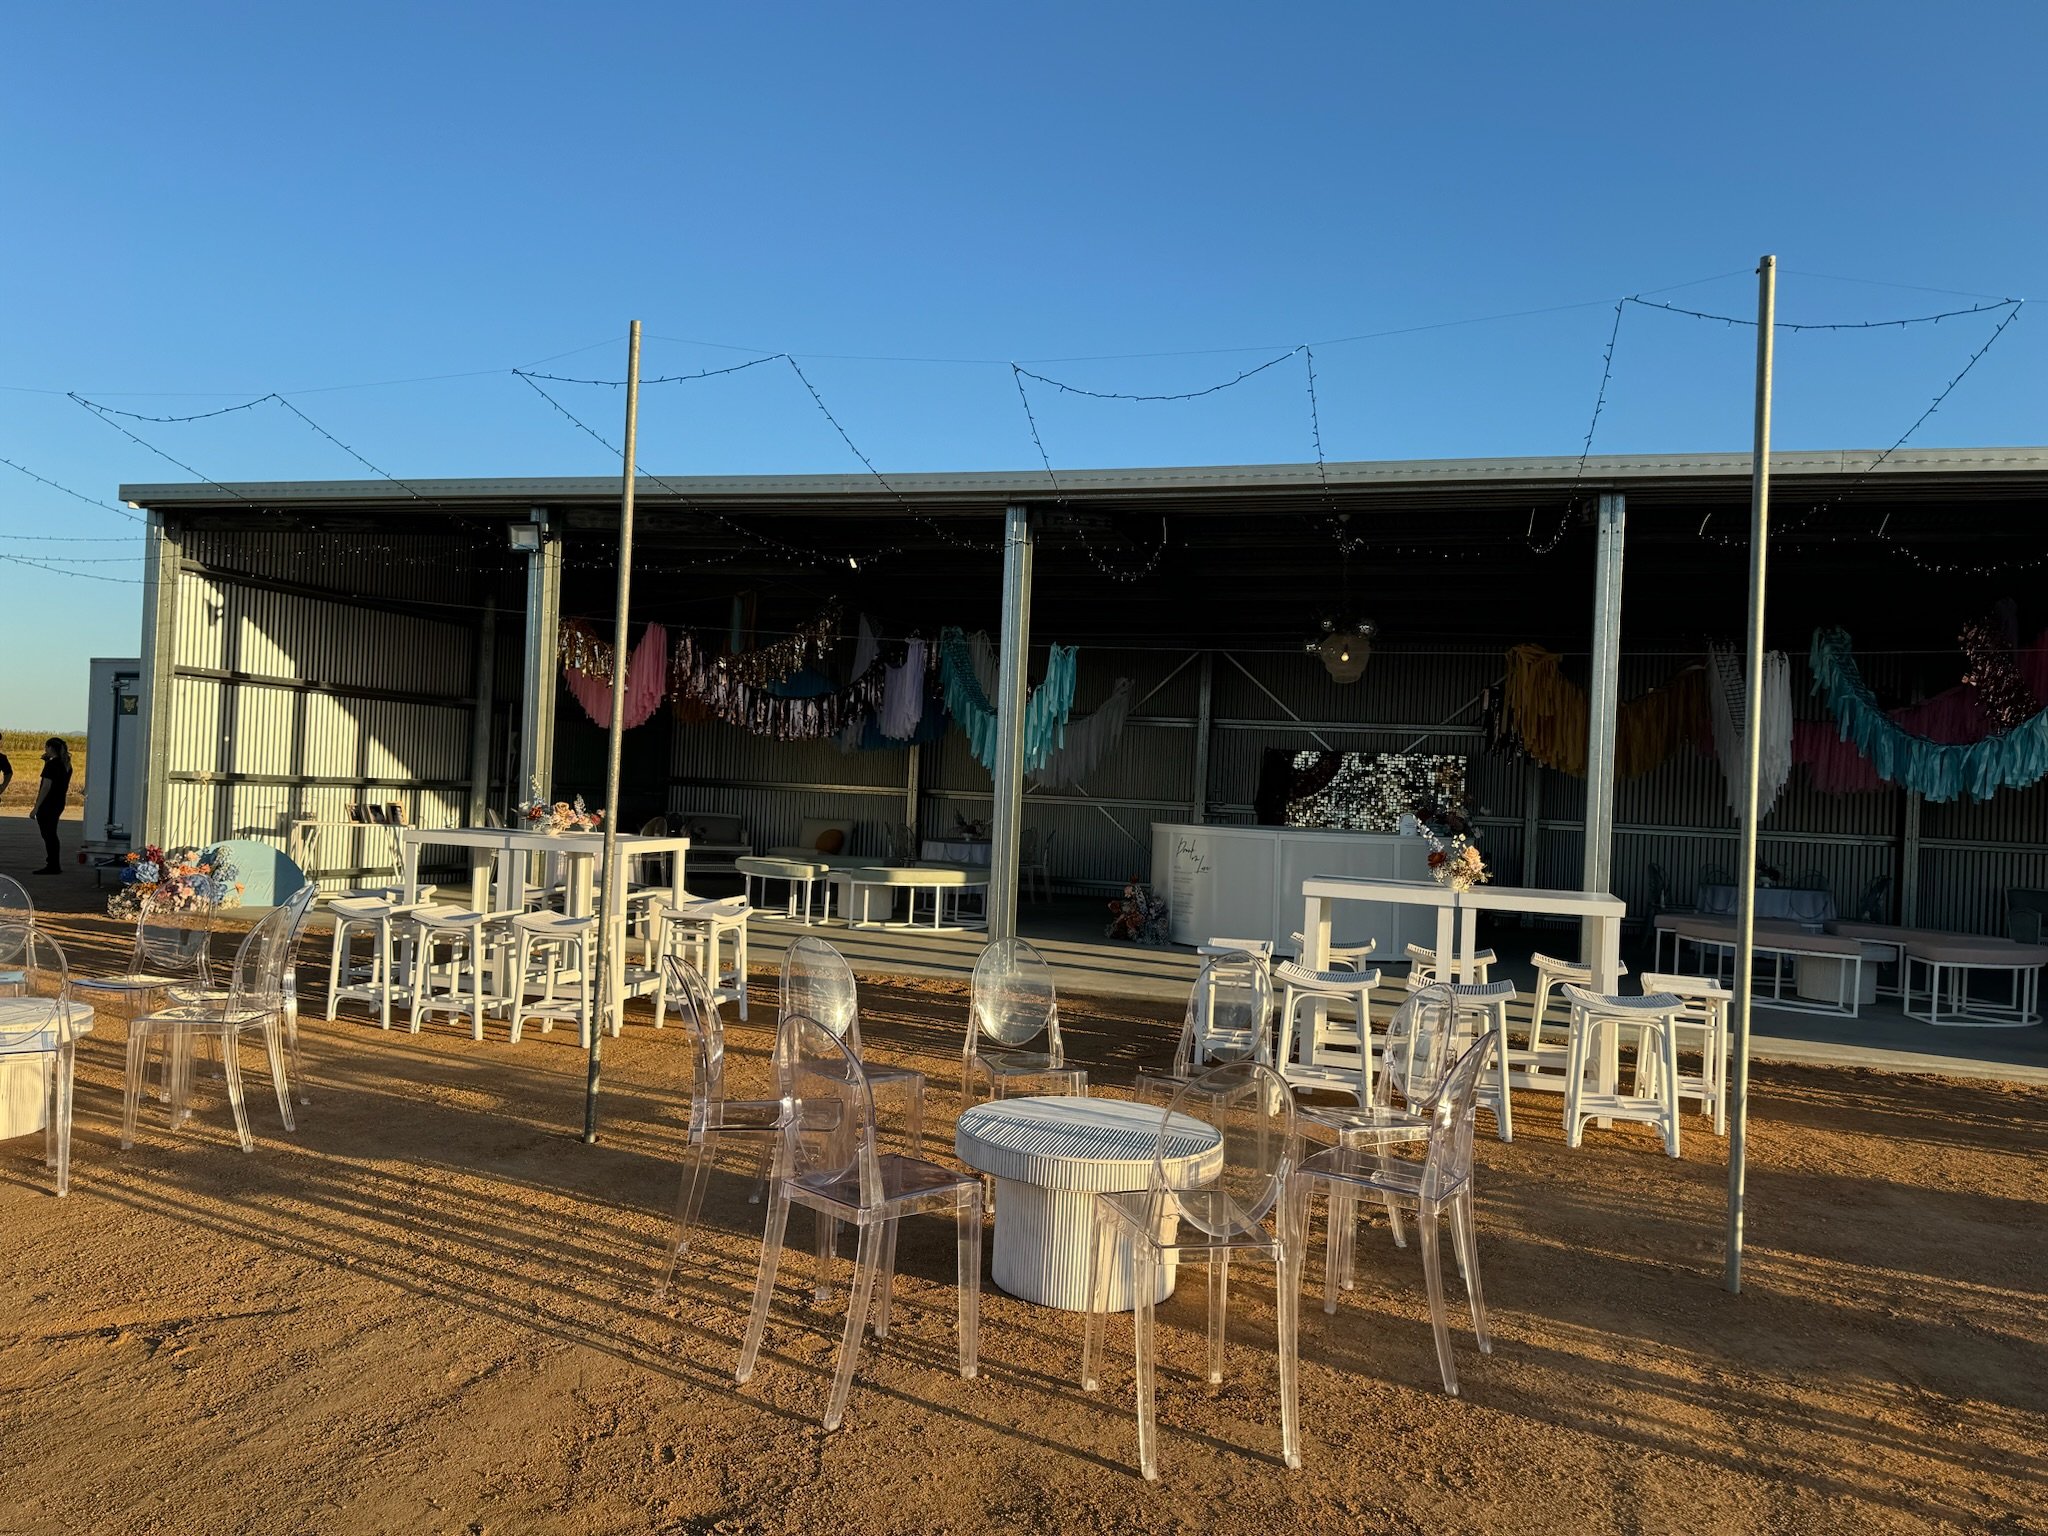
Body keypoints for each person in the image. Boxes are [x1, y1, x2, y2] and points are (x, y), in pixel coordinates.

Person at [30, 737, 70, 874]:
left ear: (51, 748)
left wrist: (36, 807)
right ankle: (53, 863)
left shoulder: (52, 765)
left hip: (48, 804)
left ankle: (52, 864)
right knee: (51, 833)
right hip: (59, 802)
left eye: (46, 747)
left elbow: (46, 786)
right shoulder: (65, 765)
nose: (45, 750)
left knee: (48, 834)